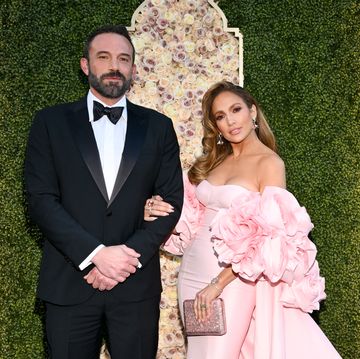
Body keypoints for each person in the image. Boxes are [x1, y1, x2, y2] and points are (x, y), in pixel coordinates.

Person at [145, 81, 342, 358]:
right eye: (220, 116)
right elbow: (189, 220)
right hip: (191, 271)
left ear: (252, 111)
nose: (230, 121)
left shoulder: (269, 164)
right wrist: (156, 210)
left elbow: (270, 239)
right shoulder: (212, 161)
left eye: (236, 109)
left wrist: (218, 283)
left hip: (233, 278)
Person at [24, 25, 183, 359]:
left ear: (134, 70)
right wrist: (96, 255)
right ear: (86, 65)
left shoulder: (158, 127)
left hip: (135, 288)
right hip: (69, 282)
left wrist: (124, 259)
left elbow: (172, 201)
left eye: (124, 59)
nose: (115, 65)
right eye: (104, 57)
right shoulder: (50, 123)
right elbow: (41, 199)